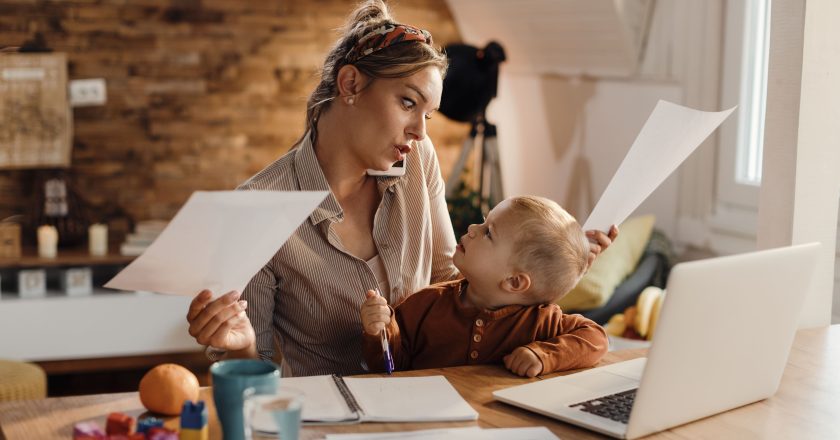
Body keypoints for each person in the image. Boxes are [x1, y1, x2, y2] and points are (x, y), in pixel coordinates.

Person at [186, 0, 618, 377]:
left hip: (439, 403)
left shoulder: (417, 159)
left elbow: (452, 278)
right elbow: (253, 365)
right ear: (350, 84)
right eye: (408, 103)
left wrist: (551, 265)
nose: (418, 131)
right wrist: (235, 344)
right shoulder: (257, 207)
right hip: (330, 417)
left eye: (427, 114)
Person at [360, 196, 608, 377]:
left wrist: (543, 356)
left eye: (488, 232)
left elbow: (596, 339)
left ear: (514, 281)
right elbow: (390, 369)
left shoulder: (541, 321)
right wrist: (381, 330)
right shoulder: (424, 304)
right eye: (483, 222)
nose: (472, 228)